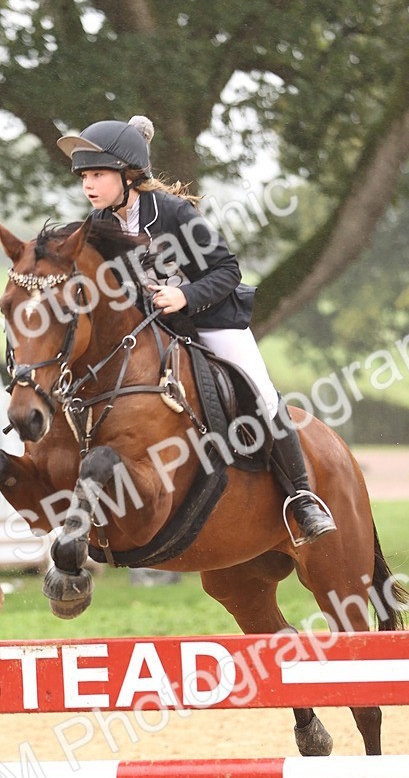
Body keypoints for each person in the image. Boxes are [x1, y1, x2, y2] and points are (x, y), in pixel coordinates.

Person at [56, 115, 336, 544]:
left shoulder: (173, 212)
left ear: (128, 176)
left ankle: (302, 498)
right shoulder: (98, 225)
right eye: (84, 177)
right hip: (153, 330)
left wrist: (184, 296)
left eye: (97, 174)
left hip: (211, 317)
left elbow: (227, 270)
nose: (88, 185)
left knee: (260, 390)